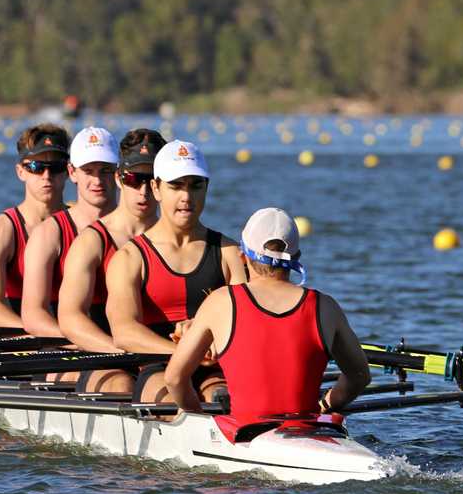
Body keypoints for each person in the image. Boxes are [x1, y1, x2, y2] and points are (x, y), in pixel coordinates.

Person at [164, 207, 370, 433]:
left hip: (243, 436)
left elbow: (174, 378)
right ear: (297, 258)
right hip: (309, 433)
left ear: (243, 257)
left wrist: (199, 419)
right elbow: (359, 376)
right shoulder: (325, 307)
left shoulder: (220, 302)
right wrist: (324, 407)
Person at [105, 140, 245, 403]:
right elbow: (124, 332)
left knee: (222, 396)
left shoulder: (228, 252)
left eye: (195, 186)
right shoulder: (130, 258)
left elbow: (247, 322)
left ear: (206, 189)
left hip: (214, 365)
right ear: (156, 189)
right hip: (156, 365)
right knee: (170, 397)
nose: (186, 197)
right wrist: (185, 351)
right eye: (176, 186)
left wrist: (204, 341)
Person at [56, 128, 166, 393]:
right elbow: (70, 319)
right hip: (107, 356)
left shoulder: (183, 242)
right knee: (121, 383)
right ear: (119, 178)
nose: (143, 190)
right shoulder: (92, 241)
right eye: (133, 178)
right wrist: (124, 350)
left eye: (152, 179)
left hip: (164, 356)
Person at [20, 127, 119, 337]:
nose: (98, 180)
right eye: (88, 171)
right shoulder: (48, 234)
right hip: (72, 349)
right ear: (72, 172)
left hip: (129, 346)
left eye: (105, 170)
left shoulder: (140, 230)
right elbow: (33, 315)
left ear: (118, 173)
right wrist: (88, 340)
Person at [0, 124, 71, 328]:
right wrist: (49, 333)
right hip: (24, 340)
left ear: (68, 171)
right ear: (21, 172)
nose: (46, 176)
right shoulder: (0, 231)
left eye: (55, 167)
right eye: (36, 167)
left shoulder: (85, 227)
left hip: (74, 337)